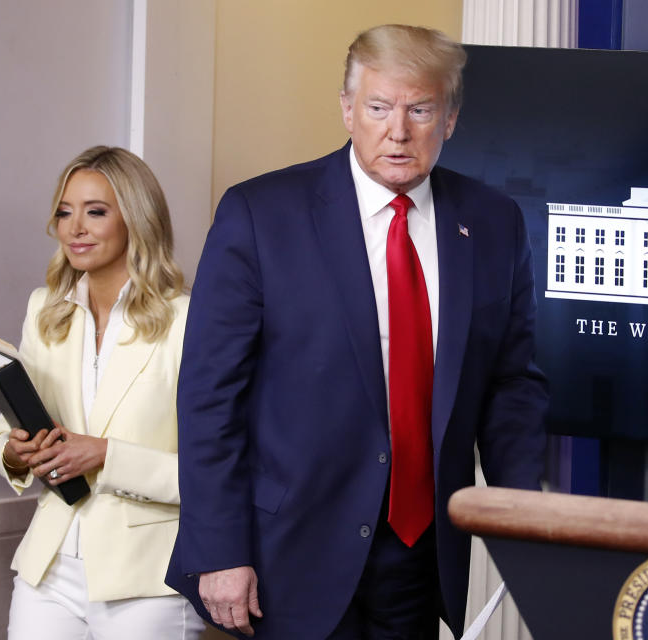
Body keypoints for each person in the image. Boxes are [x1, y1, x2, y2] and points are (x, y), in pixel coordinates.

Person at [167, 24, 548, 639]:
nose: (398, 131)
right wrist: (218, 549)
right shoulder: (262, 215)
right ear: (348, 110)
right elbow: (209, 396)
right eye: (378, 108)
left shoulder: (493, 223)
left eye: (420, 109)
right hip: (287, 553)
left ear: (449, 118)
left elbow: (511, 386)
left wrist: (524, 523)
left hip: (421, 553)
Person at [0, 146, 204, 639]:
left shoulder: (188, 320)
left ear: (137, 219)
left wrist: (105, 456)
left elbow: (214, 472)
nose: (74, 228)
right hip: (50, 563)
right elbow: (9, 428)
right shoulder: (46, 311)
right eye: (65, 212)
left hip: (150, 575)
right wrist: (16, 452)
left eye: (96, 212)